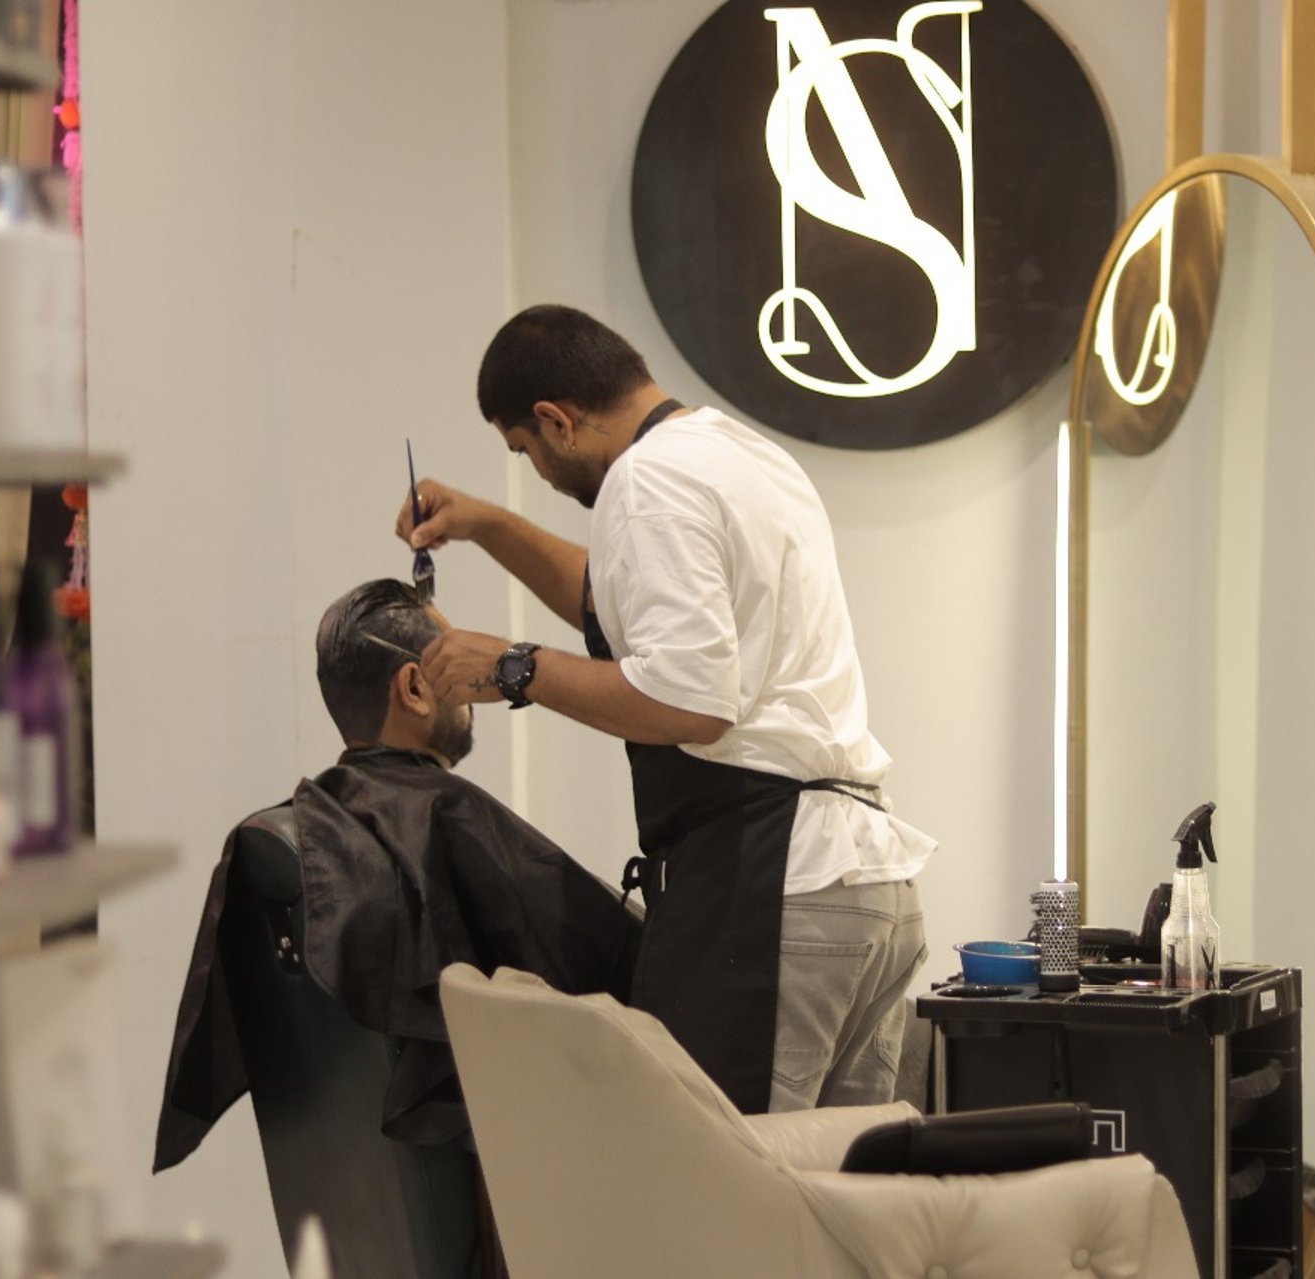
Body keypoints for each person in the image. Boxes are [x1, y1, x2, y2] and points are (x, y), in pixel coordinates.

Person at [396, 304, 935, 1115]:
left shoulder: (646, 483)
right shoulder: (738, 455)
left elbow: (691, 701)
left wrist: (514, 668)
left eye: (525, 452)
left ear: (556, 420)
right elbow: (614, 595)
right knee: (843, 1204)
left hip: (774, 890)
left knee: (734, 1201)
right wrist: (486, 525)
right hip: (866, 886)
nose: (537, 474)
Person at [155, 578, 640, 1170]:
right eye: (457, 665)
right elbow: (619, 964)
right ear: (414, 687)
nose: (470, 690)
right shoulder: (445, 815)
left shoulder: (314, 832)